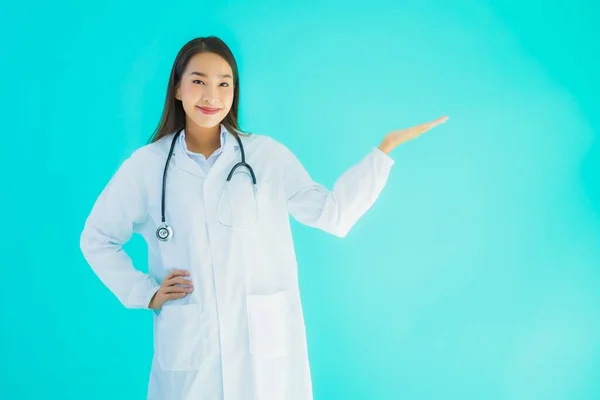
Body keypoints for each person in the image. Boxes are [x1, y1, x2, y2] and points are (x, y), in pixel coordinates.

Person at [79, 35, 448, 400]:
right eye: (198, 81)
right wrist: (145, 293)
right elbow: (96, 238)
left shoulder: (266, 156)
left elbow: (333, 216)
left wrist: (384, 150)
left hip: (263, 352)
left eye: (224, 84)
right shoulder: (148, 166)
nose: (211, 96)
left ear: (234, 91)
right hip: (190, 352)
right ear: (177, 89)